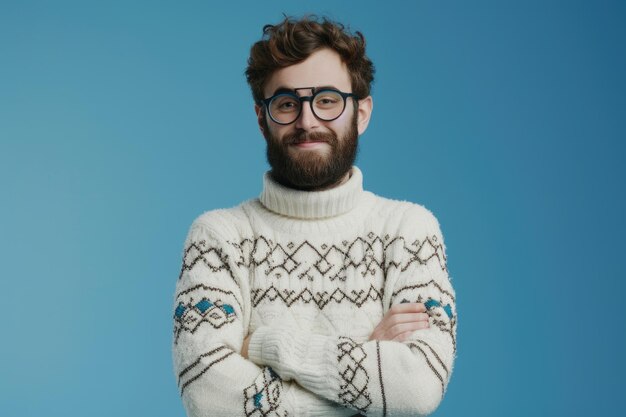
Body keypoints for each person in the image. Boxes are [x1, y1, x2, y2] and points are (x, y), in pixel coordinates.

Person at [172, 15, 457, 417]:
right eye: (287, 104)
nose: (307, 121)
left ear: (361, 113)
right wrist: (367, 359)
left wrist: (267, 345)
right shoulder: (218, 238)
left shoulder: (409, 231)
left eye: (326, 100)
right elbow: (209, 397)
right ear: (261, 119)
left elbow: (415, 389)